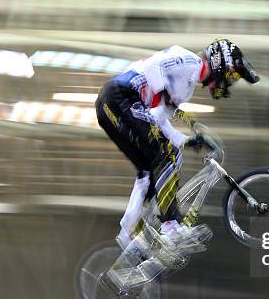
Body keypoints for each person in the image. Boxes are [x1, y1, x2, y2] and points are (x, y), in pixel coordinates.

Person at [95, 38, 259, 284]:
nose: (231, 82)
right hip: (121, 97)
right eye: (232, 75)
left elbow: (159, 119)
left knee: (153, 168)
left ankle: (130, 230)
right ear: (220, 64)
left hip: (115, 106)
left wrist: (187, 141)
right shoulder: (188, 60)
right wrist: (162, 93)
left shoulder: (187, 85)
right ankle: (171, 225)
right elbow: (156, 69)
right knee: (166, 156)